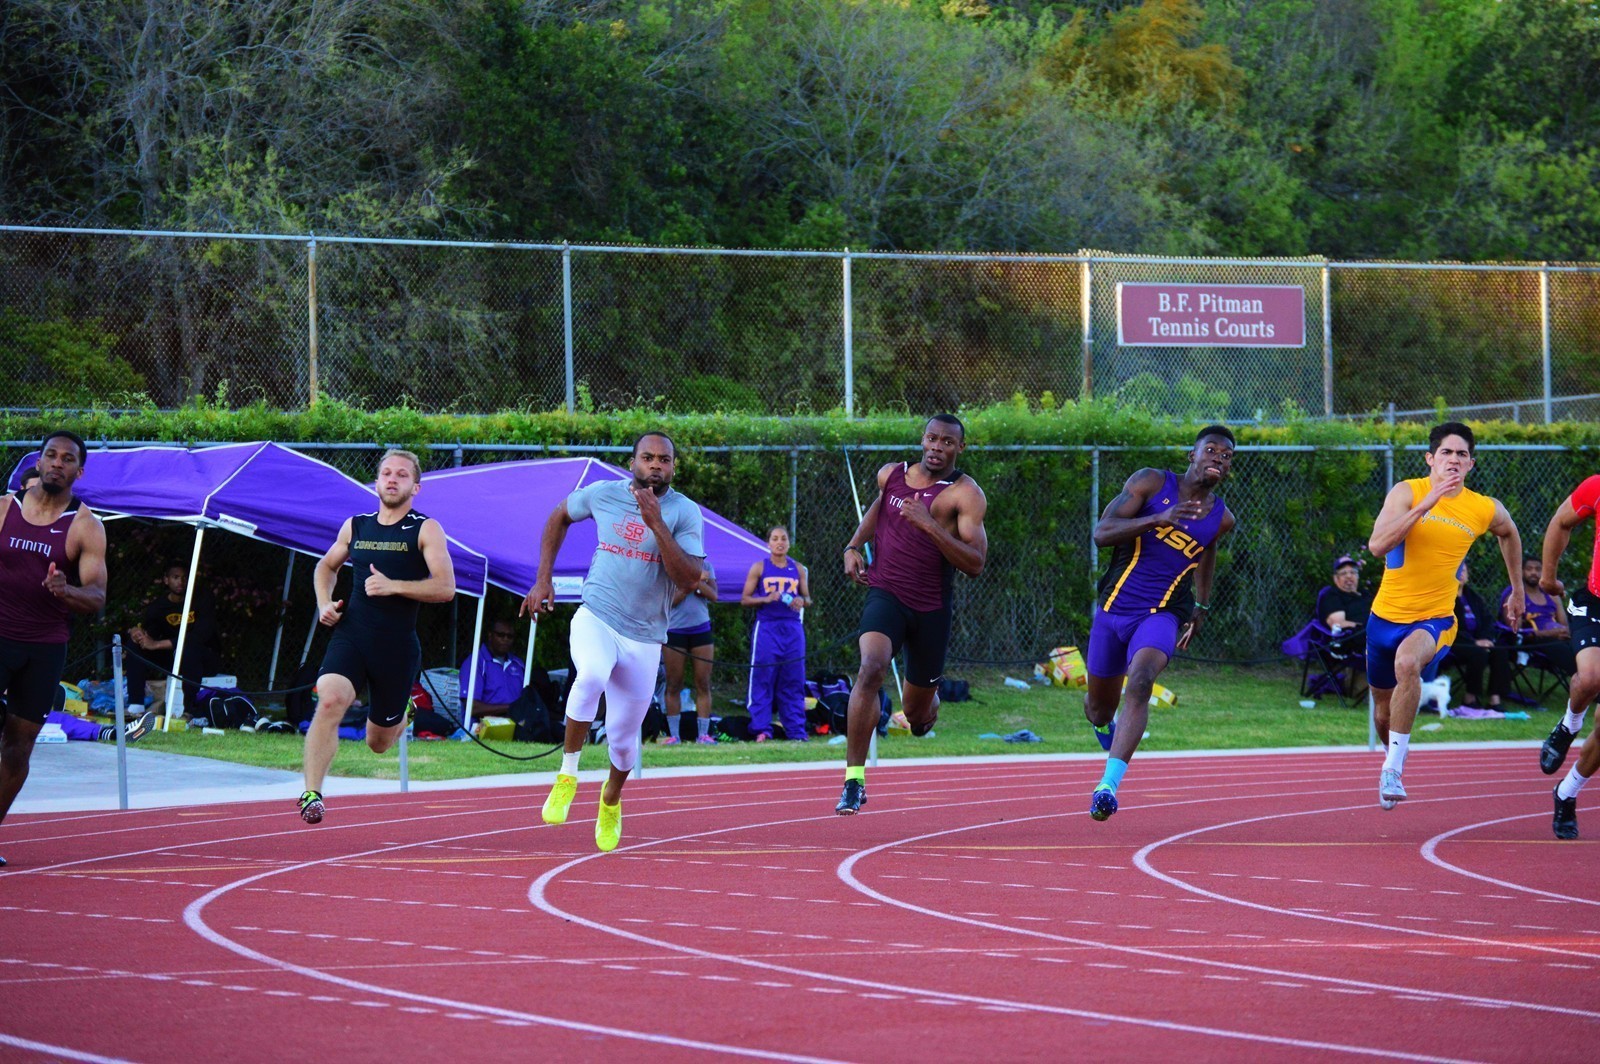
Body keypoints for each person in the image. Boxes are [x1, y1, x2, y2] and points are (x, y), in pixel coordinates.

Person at [522, 432, 705, 851]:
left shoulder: (684, 512)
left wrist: (656, 522)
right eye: (648, 458)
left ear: (673, 467)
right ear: (633, 463)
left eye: (664, 460)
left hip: (644, 638)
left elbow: (690, 577)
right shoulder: (603, 494)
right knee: (589, 677)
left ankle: (610, 799)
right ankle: (567, 774)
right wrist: (543, 578)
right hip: (597, 615)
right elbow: (558, 516)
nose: (655, 465)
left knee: (624, 743)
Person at [1365, 422, 1524, 810]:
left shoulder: (1483, 507)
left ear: (1472, 463)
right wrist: (1426, 504)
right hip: (1384, 619)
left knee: (1408, 663)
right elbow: (1377, 546)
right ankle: (1392, 757)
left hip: (1435, 617)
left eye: (1462, 454)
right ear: (1430, 459)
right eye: (1447, 453)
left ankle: (1394, 771)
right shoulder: (1408, 491)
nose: (1454, 460)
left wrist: (1517, 589)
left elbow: (1510, 533)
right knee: (1383, 715)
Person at [1084, 425, 1237, 822]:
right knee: (1098, 710)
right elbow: (1102, 534)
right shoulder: (1151, 482)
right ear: (1192, 455)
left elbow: (1207, 552)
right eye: (1211, 450)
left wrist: (1200, 605)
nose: (1218, 458)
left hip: (1163, 613)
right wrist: (1160, 519)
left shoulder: (1221, 518)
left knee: (1140, 680)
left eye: (1226, 455)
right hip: (1114, 609)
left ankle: (1108, 787)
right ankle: (1106, 728)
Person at [838, 414, 988, 814]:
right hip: (886, 593)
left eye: (948, 442)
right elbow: (879, 510)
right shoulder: (892, 475)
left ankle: (928, 703)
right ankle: (853, 781)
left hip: (931, 608)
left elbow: (975, 563)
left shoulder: (964, 495)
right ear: (923, 440)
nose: (938, 447)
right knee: (871, 667)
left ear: (960, 447)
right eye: (933, 439)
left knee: (917, 717)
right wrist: (854, 545)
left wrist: (931, 526)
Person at [298, 449, 456, 825]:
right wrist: (324, 604)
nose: (392, 479)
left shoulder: (425, 528)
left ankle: (405, 712)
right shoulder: (356, 525)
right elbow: (326, 566)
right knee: (330, 699)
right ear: (376, 481)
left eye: (402, 475)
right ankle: (312, 793)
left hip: (396, 647)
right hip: (351, 635)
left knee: (378, 742)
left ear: (415, 486)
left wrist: (394, 586)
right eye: (386, 472)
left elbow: (446, 587)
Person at [0, 431, 109, 867]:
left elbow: (98, 596)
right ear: (39, 461)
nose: (57, 463)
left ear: (78, 472)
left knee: (18, 745)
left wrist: (65, 591)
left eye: (67, 459)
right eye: (50, 455)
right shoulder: (5, 510)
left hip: (44, 648)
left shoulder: (85, 527)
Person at [1534, 475, 1600, 839]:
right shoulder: (1597, 486)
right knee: (1590, 678)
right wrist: (1548, 577)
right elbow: (1561, 521)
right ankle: (1567, 727)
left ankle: (1566, 793)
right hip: (1594, 603)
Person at [741, 526, 812, 742]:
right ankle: (762, 729)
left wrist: (802, 601)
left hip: (792, 628)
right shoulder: (759, 567)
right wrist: (765, 598)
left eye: (783, 539)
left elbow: (808, 599)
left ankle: (796, 731)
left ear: (789, 543)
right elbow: (745, 599)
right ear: (768, 543)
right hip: (767, 628)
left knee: (793, 679)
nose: (779, 542)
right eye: (775, 538)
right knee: (763, 677)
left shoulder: (798, 568)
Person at [125, 561, 222, 715]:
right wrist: (137, 633)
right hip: (174, 658)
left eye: (184, 578)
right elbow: (149, 630)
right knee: (134, 645)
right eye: (175, 577)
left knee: (189, 648)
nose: (180, 582)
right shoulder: (160, 606)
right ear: (166, 580)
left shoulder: (202, 598)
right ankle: (136, 705)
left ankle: (190, 709)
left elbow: (200, 636)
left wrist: (156, 644)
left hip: (203, 659)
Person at [662, 562, 717, 745]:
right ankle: (674, 735)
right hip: (675, 630)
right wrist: (689, 585)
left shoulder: (706, 565)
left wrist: (696, 582)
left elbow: (713, 595)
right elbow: (669, 601)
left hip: (701, 629)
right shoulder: (668, 565)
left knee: (703, 682)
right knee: (674, 683)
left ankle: (703, 734)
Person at [1501, 555, 1578, 678]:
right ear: (1521, 572)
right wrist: (1548, 634)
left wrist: (1563, 632)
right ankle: (1587, 681)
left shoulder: (1552, 596)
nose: (1534, 572)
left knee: (1583, 646)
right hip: (1533, 641)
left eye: (1538, 569)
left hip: (1559, 637)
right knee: (1560, 649)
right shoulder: (1514, 595)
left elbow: (1564, 625)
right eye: (1529, 569)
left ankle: (1590, 678)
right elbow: (1516, 631)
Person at [1447, 561, 1510, 709]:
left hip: (1478, 641)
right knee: (1478, 653)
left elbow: (1488, 620)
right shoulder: (1445, 598)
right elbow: (1448, 625)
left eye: (1464, 570)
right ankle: (1470, 697)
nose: (1461, 573)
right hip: (1454, 642)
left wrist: (1486, 639)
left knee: (1500, 649)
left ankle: (1495, 698)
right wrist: (1474, 642)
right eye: (1457, 570)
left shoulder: (1473, 597)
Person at [1318, 555, 1370, 632]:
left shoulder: (1365, 593)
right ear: (1335, 578)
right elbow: (1338, 624)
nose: (1349, 576)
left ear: (1357, 576)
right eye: (1343, 573)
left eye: (1352, 572)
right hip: (1358, 638)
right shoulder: (1332, 596)